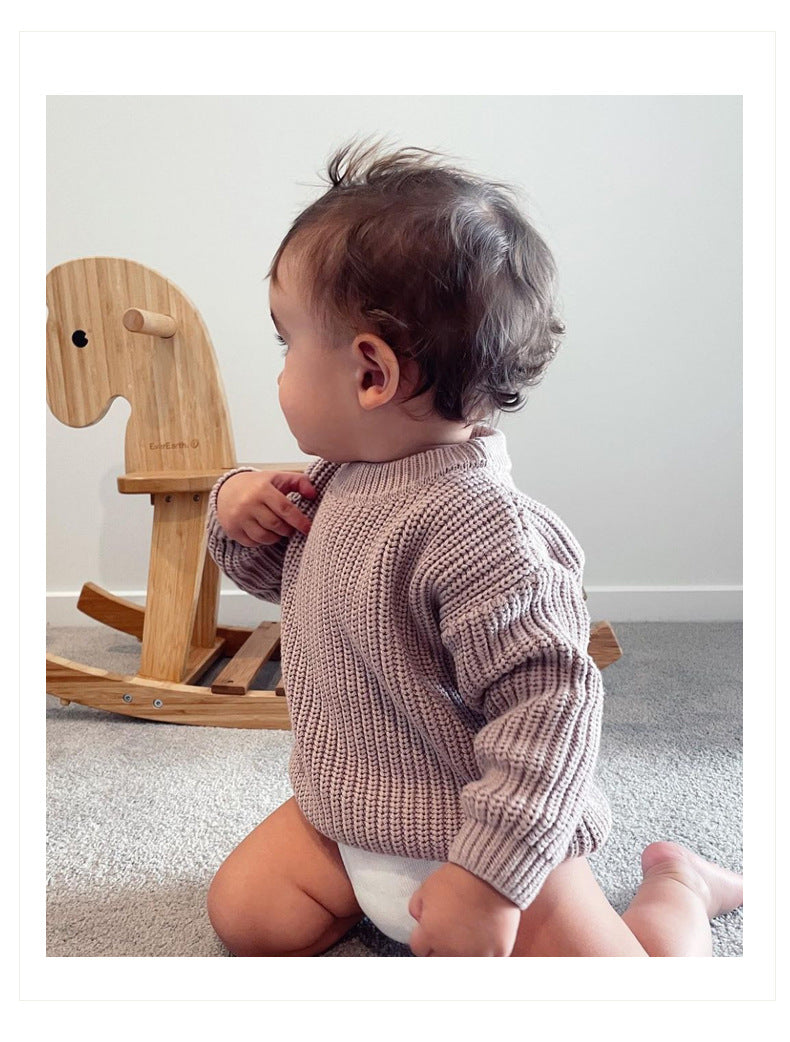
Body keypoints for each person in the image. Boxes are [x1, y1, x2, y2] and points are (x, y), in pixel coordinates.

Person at [205, 137, 742, 957]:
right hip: (352, 817)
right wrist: (239, 510)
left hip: (490, 840)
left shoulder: (487, 532)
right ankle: (371, 897)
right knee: (247, 916)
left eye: (287, 343)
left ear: (370, 374)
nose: (278, 369)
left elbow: (553, 713)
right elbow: (281, 578)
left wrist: (492, 877)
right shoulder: (343, 479)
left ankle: (680, 886)